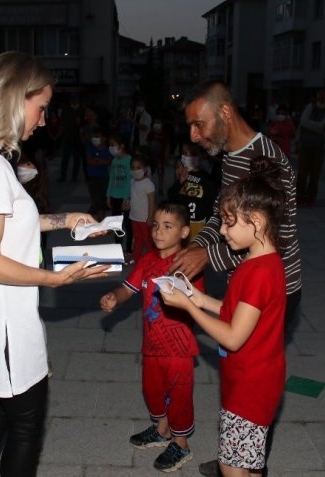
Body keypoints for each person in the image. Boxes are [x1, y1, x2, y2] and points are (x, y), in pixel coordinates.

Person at [0, 52, 108, 477]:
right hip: (4, 320)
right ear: (13, 98)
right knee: (25, 424)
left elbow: (3, 225)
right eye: (41, 107)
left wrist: (67, 220)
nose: (44, 120)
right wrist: (57, 278)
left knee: (2, 410)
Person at [169, 80, 300, 477]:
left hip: (273, 284)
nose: (194, 135)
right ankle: (239, 456)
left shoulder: (266, 160)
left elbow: (275, 237)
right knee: (240, 385)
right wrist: (199, 249)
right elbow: (220, 217)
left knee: (253, 393)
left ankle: (249, 462)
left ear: (224, 113)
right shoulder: (231, 155)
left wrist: (206, 257)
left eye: (198, 124)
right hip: (243, 275)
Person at [160, 156, 287, 477]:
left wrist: (188, 309)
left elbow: (233, 336)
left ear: (256, 221)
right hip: (251, 380)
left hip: (250, 388)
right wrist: (198, 298)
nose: (222, 231)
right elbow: (236, 312)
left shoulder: (260, 273)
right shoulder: (256, 262)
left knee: (232, 468)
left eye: (229, 222)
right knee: (251, 465)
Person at [100, 201, 204, 473]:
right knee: (152, 390)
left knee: (178, 397)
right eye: (156, 225)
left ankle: (181, 445)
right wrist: (115, 297)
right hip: (152, 345)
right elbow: (128, 287)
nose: (158, 231)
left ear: (183, 232)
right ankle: (162, 430)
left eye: (167, 226)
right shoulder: (146, 260)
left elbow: (196, 302)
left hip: (179, 350)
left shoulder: (188, 265)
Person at [167, 141, 216, 241]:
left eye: (187, 153)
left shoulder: (207, 178)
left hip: (198, 225)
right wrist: (180, 182)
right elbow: (171, 196)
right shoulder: (182, 173)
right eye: (183, 153)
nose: (184, 157)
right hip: (181, 222)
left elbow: (211, 206)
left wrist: (208, 229)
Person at [295, 88, 325, 206]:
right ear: (317, 96)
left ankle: (310, 199)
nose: (322, 98)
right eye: (321, 96)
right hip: (305, 146)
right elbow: (303, 122)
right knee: (301, 174)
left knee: (314, 175)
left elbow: (324, 126)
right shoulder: (309, 107)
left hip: (319, 148)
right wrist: (318, 127)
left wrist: (310, 124)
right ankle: (299, 197)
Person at [106, 132, 133, 252]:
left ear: (121, 146)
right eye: (110, 145)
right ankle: (117, 246)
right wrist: (108, 196)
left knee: (127, 223)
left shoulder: (129, 160)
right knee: (116, 223)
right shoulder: (114, 161)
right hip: (114, 196)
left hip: (125, 197)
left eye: (113, 145)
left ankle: (129, 248)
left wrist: (126, 198)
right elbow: (111, 179)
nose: (111, 147)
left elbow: (129, 181)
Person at [130, 154, 156, 262]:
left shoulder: (148, 184)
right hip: (134, 217)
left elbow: (151, 202)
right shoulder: (132, 181)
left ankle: (154, 258)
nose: (135, 170)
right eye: (133, 168)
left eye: (138, 167)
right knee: (137, 239)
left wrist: (150, 217)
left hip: (144, 218)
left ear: (145, 169)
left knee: (148, 240)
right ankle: (135, 257)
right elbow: (133, 197)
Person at [84, 125, 111, 220]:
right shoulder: (90, 148)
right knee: (95, 196)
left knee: (103, 196)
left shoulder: (108, 149)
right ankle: (98, 216)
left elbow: (109, 161)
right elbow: (89, 161)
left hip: (104, 177)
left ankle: (101, 216)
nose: (94, 138)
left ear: (104, 138)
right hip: (92, 177)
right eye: (94, 136)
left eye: (97, 136)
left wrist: (97, 160)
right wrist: (102, 161)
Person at [58, 95, 84, 182]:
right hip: (68, 136)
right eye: (72, 100)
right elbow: (62, 122)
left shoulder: (81, 111)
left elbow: (83, 122)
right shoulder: (66, 110)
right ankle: (63, 175)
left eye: (76, 100)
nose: (74, 102)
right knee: (65, 157)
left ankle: (74, 177)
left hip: (77, 137)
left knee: (77, 158)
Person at [147, 117, 171, 193]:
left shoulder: (165, 134)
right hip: (152, 156)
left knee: (160, 172)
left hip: (161, 157)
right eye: (155, 122)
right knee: (150, 171)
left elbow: (167, 146)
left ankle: (160, 188)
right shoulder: (151, 133)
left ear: (162, 125)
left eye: (158, 123)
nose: (156, 124)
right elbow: (148, 144)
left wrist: (166, 156)